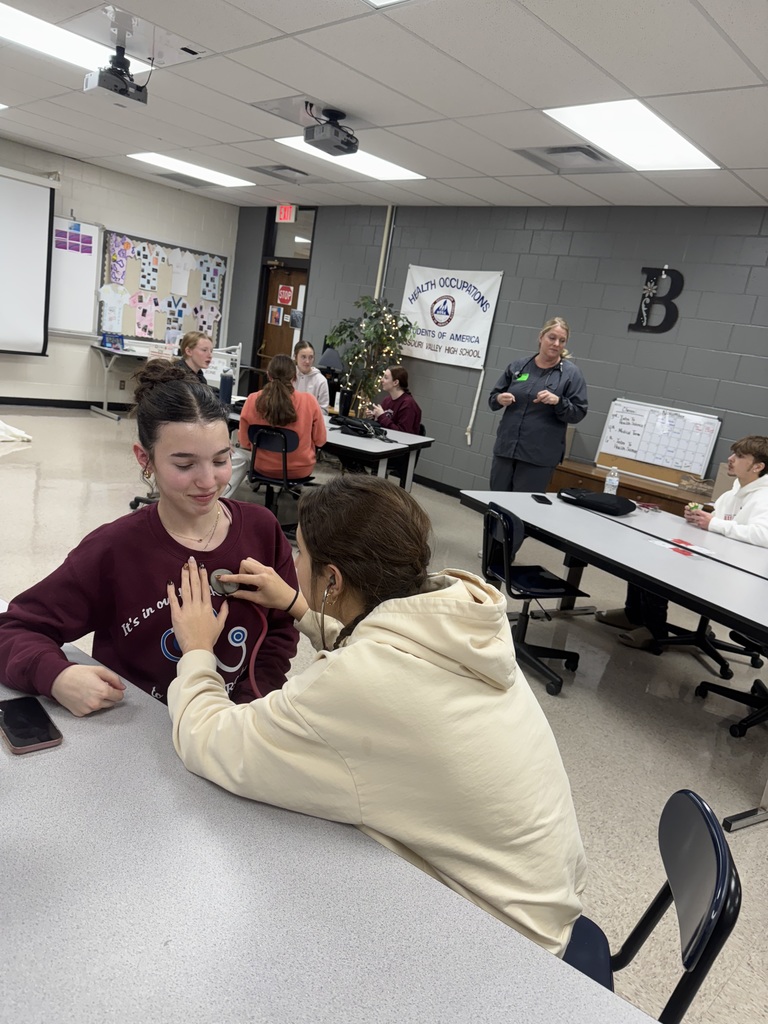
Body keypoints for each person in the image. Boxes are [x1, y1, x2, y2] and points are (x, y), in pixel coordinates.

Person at [165, 475, 587, 956]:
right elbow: (389, 649)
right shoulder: (461, 619)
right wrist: (299, 606)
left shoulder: (355, 685)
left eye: (300, 552)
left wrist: (198, 651)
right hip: (545, 898)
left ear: (334, 579)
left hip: (505, 947)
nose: (293, 561)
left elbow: (210, 738)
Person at [0, 361, 298, 717]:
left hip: (232, 732)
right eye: (185, 465)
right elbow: (14, 630)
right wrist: (57, 676)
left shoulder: (262, 529)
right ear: (146, 459)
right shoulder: (115, 549)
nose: (208, 481)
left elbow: (280, 632)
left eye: (221, 460)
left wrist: (249, 706)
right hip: (140, 739)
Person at [597, 435, 768, 649]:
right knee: (644, 553)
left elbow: (763, 535)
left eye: (740, 456)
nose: (731, 458)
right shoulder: (735, 490)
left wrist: (713, 523)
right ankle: (633, 615)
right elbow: (722, 521)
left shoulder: (764, 496)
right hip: (716, 556)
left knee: (659, 568)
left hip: (738, 573)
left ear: (758, 466)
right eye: (733, 453)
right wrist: (700, 518)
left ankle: (654, 632)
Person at [488, 317, 588, 492]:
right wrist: (499, 399)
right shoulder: (519, 366)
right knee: (496, 504)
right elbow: (493, 398)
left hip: (538, 457)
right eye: (552, 337)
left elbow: (578, 412)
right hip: (506, 450)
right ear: (541, 337)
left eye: (562, 340)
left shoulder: (571, 374)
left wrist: (558, 401)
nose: (556, 344)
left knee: (522, 510)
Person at [238, 353, 326, 480]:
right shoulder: (309, 401)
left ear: (268, 375)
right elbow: (320, 440)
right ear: (294, 377)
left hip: (261, 467)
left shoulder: (252, 399)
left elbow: (245, 442)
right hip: (299, 470)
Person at [365, 365, 422, 434]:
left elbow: (402, 434)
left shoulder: (408, 404)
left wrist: (381, 416)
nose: (381, 380)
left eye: (386, 378)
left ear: (395, 382)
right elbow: (385, 424)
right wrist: (375, 417)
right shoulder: (387, 400)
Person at [294, 340, 329, 413]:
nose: (307, 361)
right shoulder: (288, 376)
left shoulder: (321, 380)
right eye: (303, 357)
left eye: (310, 357)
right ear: (295, 357)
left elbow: (324, 410)